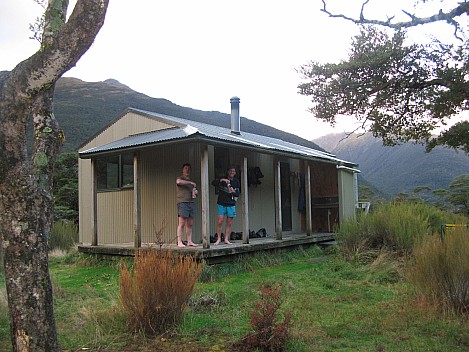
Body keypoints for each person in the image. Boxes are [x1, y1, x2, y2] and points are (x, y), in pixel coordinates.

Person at [211, 165, 240, 245]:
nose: (232, 172)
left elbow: (238, 194)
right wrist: (222, 180)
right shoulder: (222, 179)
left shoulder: (236, 181)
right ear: (228, 172)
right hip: (221, 203)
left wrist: (233, 191)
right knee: (220, 221)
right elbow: (213, 183)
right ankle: (219, 239)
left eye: (233, 171)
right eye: (230, 170)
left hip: (231, 203)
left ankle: (226, 239)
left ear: (235, 173)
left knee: (229, 223)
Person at [176, 163, 198, 247]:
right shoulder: (180, 178)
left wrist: (196, 192)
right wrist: (190, 183)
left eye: (189, 168)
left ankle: (189, 241)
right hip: (182, 202)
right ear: (182, 170)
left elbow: (194, 194)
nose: (187, 170)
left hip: (191, 203)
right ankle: (179, 242)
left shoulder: (191, 182)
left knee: (190, 223)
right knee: (182, 223)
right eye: (185, 168)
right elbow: (178, 182)